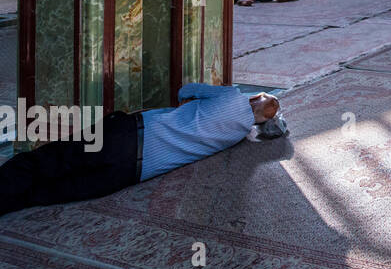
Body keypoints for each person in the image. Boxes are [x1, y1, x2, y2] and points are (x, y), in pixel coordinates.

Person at [0, 84, 285, 217]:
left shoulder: (231, 95)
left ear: (256, 97)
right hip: (131, 172)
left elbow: (187, 89)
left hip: (129, 134)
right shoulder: (237, 136)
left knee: (44, 163)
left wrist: (186, 105)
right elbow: (271, 129)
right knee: (47, 192)